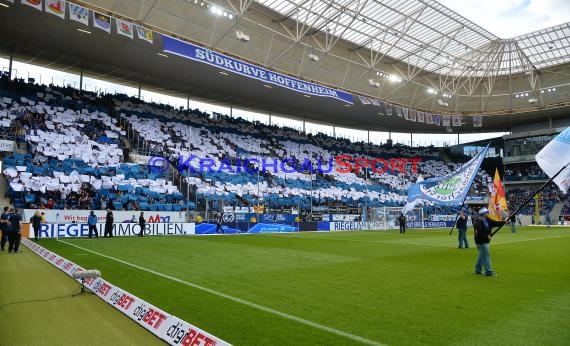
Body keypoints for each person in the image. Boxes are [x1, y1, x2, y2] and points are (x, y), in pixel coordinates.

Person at [473, 208, 503, 277]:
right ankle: (488, 272)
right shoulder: (478, 222)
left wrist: (504, 222)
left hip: (485, 241)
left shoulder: (487, 219)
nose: (488, 213)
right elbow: (478, 234)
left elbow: (495, 223)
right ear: (483, 214)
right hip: (481, 242)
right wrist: (487, 237)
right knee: (486, 256)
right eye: (486, 212)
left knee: (481, 256)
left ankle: (477, 270)